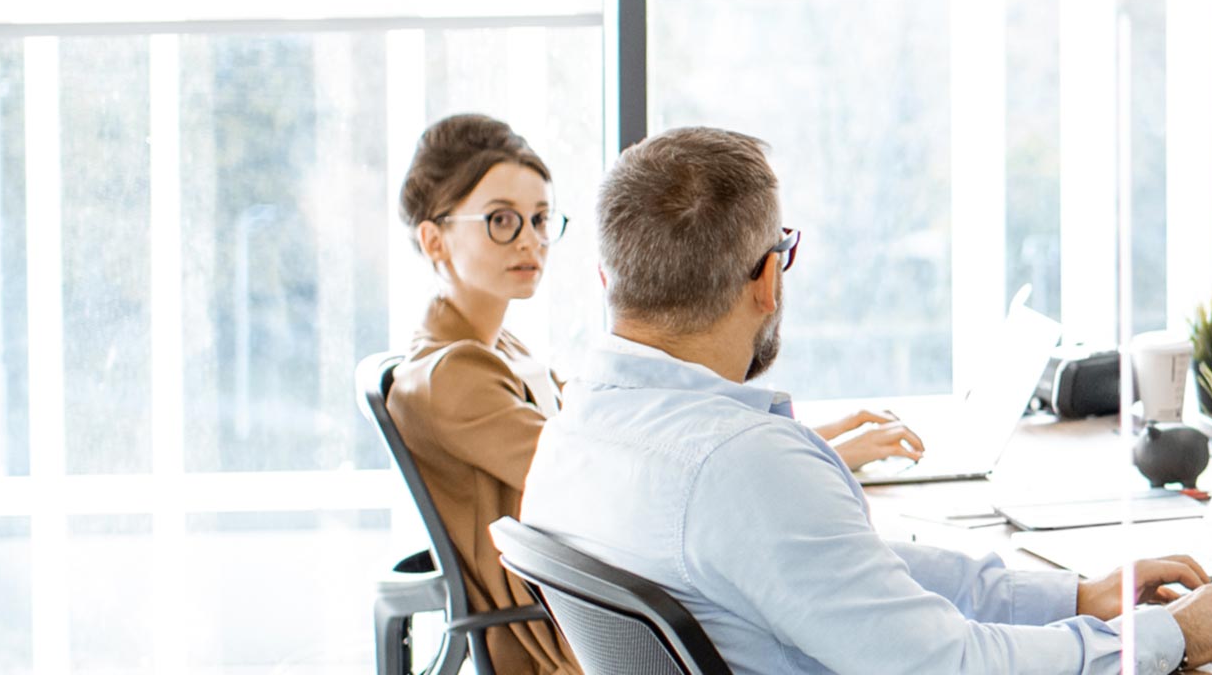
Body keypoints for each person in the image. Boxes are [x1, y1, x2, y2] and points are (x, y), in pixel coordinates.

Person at [521, 127, 1212, 674]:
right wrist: (1163, 635)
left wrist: (1073, 598)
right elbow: (949, 665)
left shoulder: (571, 435)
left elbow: (841, 569)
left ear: (606, 278)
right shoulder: (741, 464)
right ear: (768, 277)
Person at [384, 115, 926, 675]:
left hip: (601, 612)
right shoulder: (450, 374)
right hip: (576, 636)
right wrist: (821, 456)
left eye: (541, 219)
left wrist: (817, 440)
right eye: (502, 220)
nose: (530, 240)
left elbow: (634, 433)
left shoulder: (500, 346)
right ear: (433, 238)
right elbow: (617, 471)